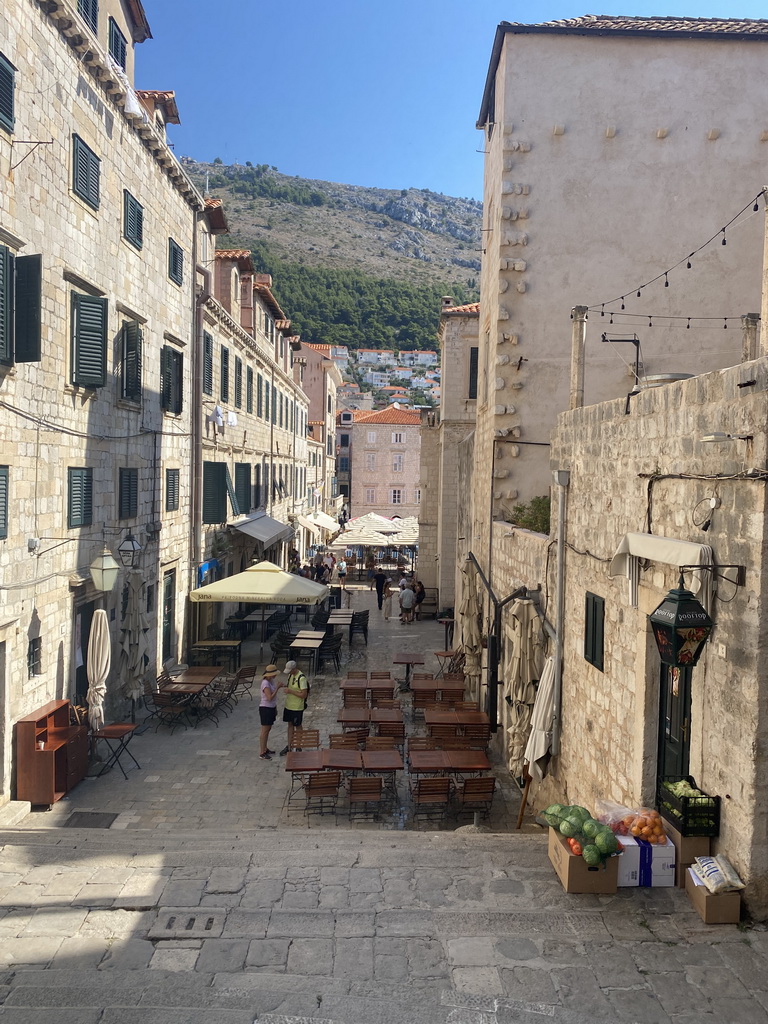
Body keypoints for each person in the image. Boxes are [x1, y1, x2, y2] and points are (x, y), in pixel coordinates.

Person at [280, 660, 308, 756]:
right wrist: (284, 686)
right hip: (289, 705)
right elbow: (290, 686)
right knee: (290, 725)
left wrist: (290, 691)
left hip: (297, 707)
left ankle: (298, 746)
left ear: (294, 669)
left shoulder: (301, 678)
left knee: (298, 726)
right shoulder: (290, 675)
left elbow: (304, 694)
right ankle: (289, 745)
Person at [259, 664, 283, 760]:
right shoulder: (265, 683)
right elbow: (269, 698)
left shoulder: (271, 681)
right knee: (264, 731)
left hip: (271, 708)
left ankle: (265, 748)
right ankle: (262, 752)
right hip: (265, 708)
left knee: (268, 729)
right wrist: (277, 688)